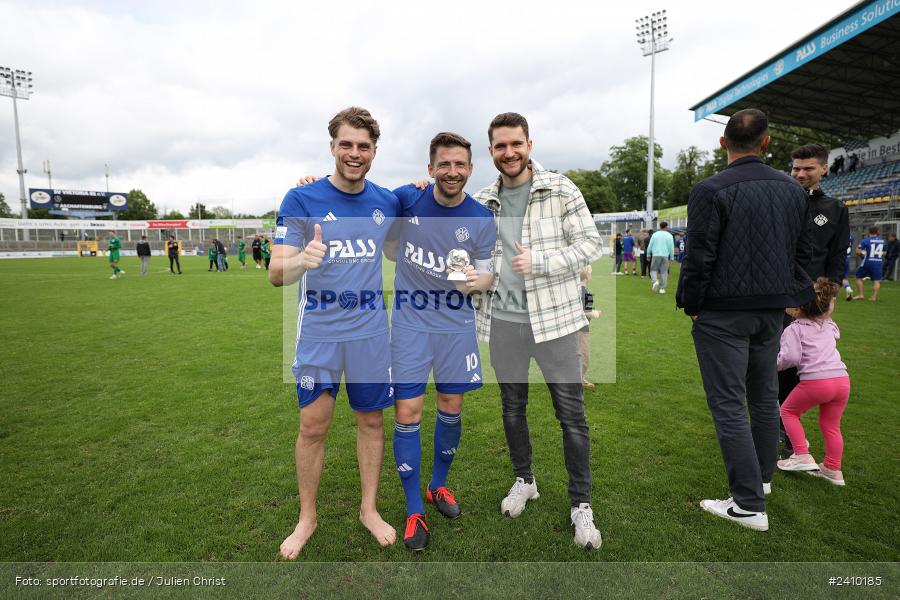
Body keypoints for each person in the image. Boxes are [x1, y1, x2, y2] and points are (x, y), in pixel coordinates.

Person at [269, 106, 402, 559]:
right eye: (346, 144)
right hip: (320, 333)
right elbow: (275, 273)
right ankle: (307, 517)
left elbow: (404, 234)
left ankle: (369, 509)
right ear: (332, 147)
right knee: (313, 427)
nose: (354, 153)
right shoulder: (300, 200)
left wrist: (423, 186)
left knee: (371, 420)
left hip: (369, 334)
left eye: (363, 146)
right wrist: (301, 260)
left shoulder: (387, 201)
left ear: (374, 152)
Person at [676, 108, 814, 532]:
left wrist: (691, 303)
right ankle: (762, 481)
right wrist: (793, 297)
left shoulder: (711, 189)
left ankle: (748, 504)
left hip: (726, 311)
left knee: (731, 405)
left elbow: (699, 255)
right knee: (761, 397)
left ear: (723, 143)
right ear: (767, 142)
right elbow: (804, 252)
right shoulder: (792, 189)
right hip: (769, 311)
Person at [474, 112, 603, 549]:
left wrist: (542, 262)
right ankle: (524, 480)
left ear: (529, 143)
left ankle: (581, 503)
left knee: (571, 416)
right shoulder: (482, 200)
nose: (508, 152)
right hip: (504, 322)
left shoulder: (560, 187)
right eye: (500, 146)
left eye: (516, 144)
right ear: (490, 150)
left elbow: (591, 244)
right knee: (512, 409)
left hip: (557, 323)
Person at [388, 132, 496, 551]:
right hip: (411, 327)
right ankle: (414, 508)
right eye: (444, 164)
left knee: (451, 406)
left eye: (460, 165)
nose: (452, 172)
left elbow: (486, 274)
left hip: (455, 329)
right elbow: (356, 193)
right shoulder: (406, 199)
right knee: (410, 410)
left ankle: (438, 486)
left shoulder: (481, 217)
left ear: (470, 168)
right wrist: (317, 181)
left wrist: (479, 280)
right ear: (430, 168)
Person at [778, 143, 850, 458]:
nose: (801, 174)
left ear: (823, 169)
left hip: (812, 302)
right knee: (777, 361)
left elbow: (836, 258)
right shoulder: (778, 202)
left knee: (805, 366)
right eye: (796, 168)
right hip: (778, 296)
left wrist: (828, 297)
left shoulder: (835, 209)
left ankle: (787, 429)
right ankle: (779, 428)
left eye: (808, 168)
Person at [776, 278, 850, 486]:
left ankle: (801, 454)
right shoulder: (829, 326)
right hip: (842, 381)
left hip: (817, 382)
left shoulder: (794, 329)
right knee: (831, 425)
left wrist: (771, 364)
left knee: (788, 412)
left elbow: (790, 358)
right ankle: (833, 469)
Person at [578, 266, 601, 389]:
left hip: (570, 328)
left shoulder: (572, 289)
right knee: (584, 357)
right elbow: (587, 311)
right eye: (591, 273)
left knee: (572, 355)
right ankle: (578, 380)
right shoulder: (587, 292)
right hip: (582, 329)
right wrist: (596, 313)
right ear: (587, 276)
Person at [853, 226, 886, 302]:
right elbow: (884, 253)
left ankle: (861, 295)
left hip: (867, 262)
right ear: (877, 232)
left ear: (869, 232)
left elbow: (857, 251)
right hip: (878, 262)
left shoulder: (865, 241)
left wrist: (863, 253)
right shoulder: (883, 241)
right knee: (877, 281)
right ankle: (873, 297)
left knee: (857, 277)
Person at [646, 221, 675, 295]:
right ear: (666, 227)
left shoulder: (655, 234)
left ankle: (655, 281)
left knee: (653, 270)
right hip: (665, 255)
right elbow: (671, 247)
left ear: (660, 226)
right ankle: (662, 289)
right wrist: (672, 256)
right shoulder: (669, 235)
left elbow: (650, 245)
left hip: (656, 255)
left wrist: (648, 254)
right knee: (664, 272)